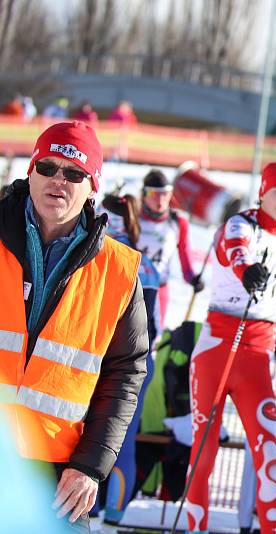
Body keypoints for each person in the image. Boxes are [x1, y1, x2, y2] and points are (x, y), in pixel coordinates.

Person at [0, 121, 149, 532]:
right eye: (47, 167)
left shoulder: (119, 271)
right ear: (30, 171)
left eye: (74, 173)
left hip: (59, 472)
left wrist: (90, 466)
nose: (58, 180)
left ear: (92, 186)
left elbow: (125, 374)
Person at [185, 162, 276, 533]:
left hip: (257, 355)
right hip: (218, 348)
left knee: (267, 455)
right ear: (263, 193)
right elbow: (237, 250)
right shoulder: (239, 224)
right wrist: (247, 269)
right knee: (203, 457)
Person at [93, 193, 160, 524]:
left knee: (90, 434)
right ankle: (114, 518)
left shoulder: (95, 251)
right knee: (123, 438)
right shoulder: (145, 263)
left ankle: (88, 511)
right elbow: (155, 327)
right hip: (139, 363)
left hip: (99, 356)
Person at [138, 169, 202, 327]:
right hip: (131, 287)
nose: (160, 199)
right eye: (154, 194)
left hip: (159, 289)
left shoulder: (177, 222)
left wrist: (192, 278)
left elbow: (185, 253)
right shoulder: (132, 216)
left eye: (165, 193)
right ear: (144, 194)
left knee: (151, 338)